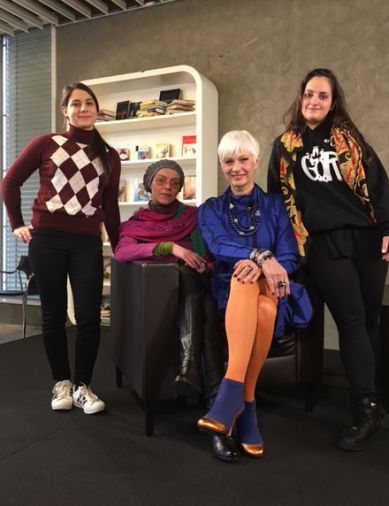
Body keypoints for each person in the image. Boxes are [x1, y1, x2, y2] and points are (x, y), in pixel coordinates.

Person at [268, 68, 389, 451]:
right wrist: (287, 250)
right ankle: (367, 410)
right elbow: (278, 200)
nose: (314, 101)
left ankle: (375, 403)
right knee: (352, 320)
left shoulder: (350, 140)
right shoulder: (285, 146)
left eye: (323, 96)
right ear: (301, 98)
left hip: (368, 239)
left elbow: (378, 186)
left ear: (333, 102)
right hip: (323, 242)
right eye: (309, 94)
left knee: (368, 320)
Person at [2, 82, 121, 415]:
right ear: (64, 111)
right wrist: (16, 223)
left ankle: (83, 385)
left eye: (89, 103)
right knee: (53, 316)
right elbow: (10, 181)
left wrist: (120, 247)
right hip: (47, 241)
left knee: (89, 317)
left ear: (97, 110)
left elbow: (110, 208)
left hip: (86, 243)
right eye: (76, 103)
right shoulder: (47, 143)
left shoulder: (109, 155)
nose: (83, 109)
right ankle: (62, 382)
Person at [114, 159, 231, 460]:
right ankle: (216, 408)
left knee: (195, 283)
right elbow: (123, 252)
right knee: (188, 281)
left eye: (175, 182)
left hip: (202, 286)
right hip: (165, 295)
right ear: (148, 184)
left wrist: (207, 264)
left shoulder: (194, 216)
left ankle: (190, 371)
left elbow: (211, 251)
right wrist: (172, 248)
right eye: (161, 180)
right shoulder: (135, 223)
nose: (168, 187)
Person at [197, 130, 300, 461]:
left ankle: (230, 397)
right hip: (230, 290)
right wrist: (258, 257)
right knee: (252, 292)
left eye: (243, 159)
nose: (236, 167)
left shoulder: (275, 205)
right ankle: (248, 403)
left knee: (258, 290)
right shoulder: (210, 209)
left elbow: (289, 255)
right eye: (229, 161)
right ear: (221, 166)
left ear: (255, 161)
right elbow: (218, 246)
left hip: (272, 284)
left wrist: (263, 265)